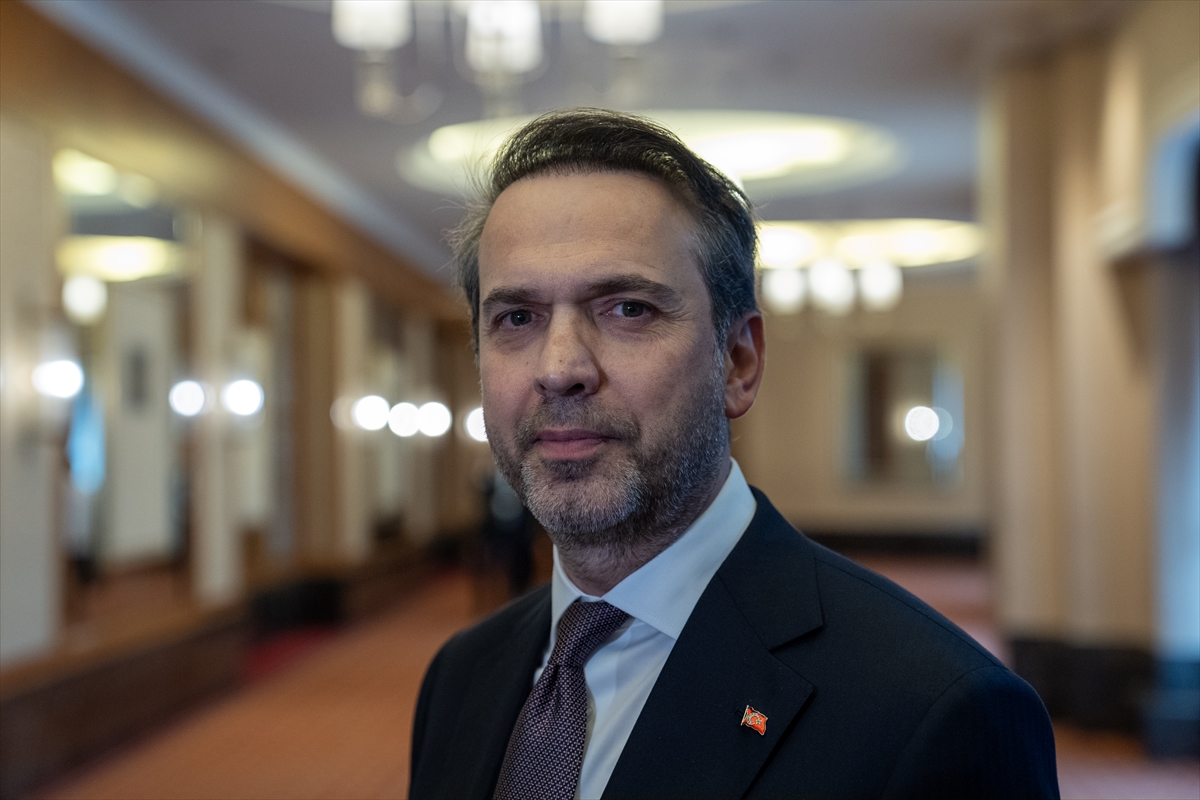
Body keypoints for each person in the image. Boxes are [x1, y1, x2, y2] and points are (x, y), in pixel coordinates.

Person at [409, 108, 1059, 800]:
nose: (560, 367)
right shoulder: (462, 676)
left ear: (739, 361)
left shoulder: (936, 709)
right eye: (516, 318)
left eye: (627, 309)